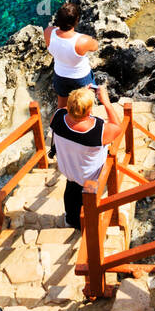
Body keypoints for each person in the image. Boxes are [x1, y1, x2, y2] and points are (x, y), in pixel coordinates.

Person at [51, 85, 124, 230]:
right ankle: (88, 228)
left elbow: (66, 110)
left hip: (70, 171)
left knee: (71, 193)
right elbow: (117, 127)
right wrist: (106, 102)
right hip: (90, 177)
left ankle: (71, 220)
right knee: (87, 205)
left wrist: (79, 96)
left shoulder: (57, 118)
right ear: (89, 110)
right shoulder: (98, 131)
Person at [44, 0, 98, 109]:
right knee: (85, 107)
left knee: (61, 106)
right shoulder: (82, 40)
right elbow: (95, 46)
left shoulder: (48, 32)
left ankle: (59, 124)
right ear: (76, 21)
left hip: (60, 75)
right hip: (81, 76)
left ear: (58, 19)